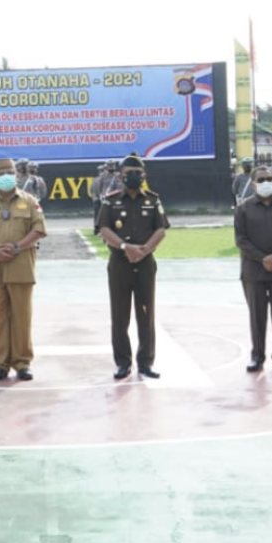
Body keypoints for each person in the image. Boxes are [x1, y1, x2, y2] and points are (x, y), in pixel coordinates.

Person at [0, 157, 47, 381]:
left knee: (22, 317)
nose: (5, 178)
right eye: (0, 174)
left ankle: (22, 362)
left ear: (15, 175)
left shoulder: (30, 201)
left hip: (21, 267)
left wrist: (16, 247)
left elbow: (39, 229)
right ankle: (0, 363)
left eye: (9, 173)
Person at [96, 153, 168, 379]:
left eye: (138, 173)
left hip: (145, 263)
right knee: (120, 316)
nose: (134, 177)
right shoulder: (111, 199)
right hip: (120, 264)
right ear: (120, 176)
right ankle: (123, 363)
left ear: (144, 175)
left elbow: (161, 229)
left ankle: (146, 362)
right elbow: (104, 229)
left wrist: (144, 250)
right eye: (129, 174)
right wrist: (126, 247)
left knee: (145, 314)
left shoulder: (153, 199)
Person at [233, 165, 272, 372]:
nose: (266, 183)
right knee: (257, 316)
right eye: (261, 180)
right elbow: (241, 240)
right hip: (254, 272)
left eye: (269, 178)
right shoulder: (243, 208)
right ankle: (257, 356)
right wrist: (263, 259)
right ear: (252, 183)